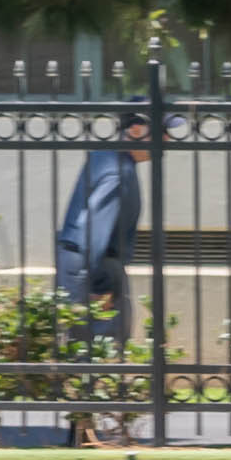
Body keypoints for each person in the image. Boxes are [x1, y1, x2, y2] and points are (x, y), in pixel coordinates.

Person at [53, 105, 149, 348]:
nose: (168, 138)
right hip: (95, 267)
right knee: (102, 347)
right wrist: (100, 286)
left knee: (87, 346)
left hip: (85, 263)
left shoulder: (107, 157)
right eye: (162, 131)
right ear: (136, 130)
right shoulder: (118, 171)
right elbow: (94, 229)